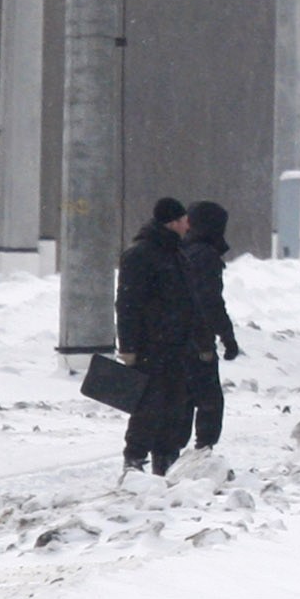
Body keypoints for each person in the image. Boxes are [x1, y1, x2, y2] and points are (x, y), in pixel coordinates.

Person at [114, 197, 199, 475]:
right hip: (150, 344)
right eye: (185, 219)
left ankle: (166, 459)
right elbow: (127, 304)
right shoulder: (140, 255)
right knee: (149, 405)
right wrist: (128, 346)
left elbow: (187, 300)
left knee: (175, 406)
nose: (188, 225)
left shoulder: (176, 253)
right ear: (173, 222)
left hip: (178, 344)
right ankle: (135, 459)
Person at [181, 201, 241, 450]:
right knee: (209, 402)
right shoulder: (205, 256)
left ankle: (167, 456)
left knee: (181, 399)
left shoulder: (180, 251)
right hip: (198, 340)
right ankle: (203, 453)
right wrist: (227, 336)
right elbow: (211, 302)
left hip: (172, 336)